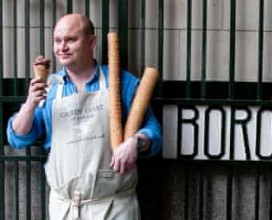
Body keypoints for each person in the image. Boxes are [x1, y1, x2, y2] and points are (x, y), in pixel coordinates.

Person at [6, 13, 161, 219]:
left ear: (91, 41)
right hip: (65, 208)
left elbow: (153, 131)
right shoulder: (49, 88)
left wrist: (136, 142)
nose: (62, 47)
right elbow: (17, 137)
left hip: (114, 206)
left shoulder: (122, 82)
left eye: (71, 39)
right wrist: (30, 104)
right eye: (58, 41)